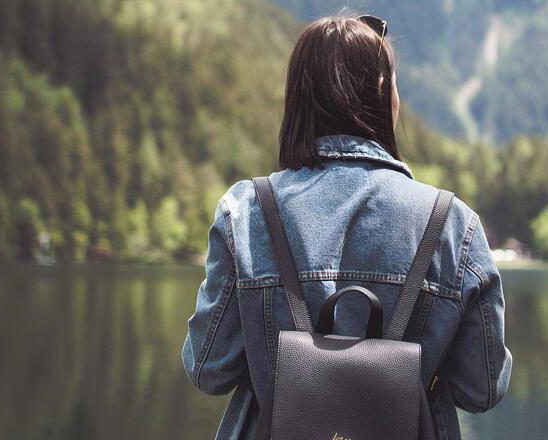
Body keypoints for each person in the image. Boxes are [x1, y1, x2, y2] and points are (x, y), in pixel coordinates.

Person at [182, 13, 512, 440]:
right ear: (381, 92)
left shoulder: (247, 212)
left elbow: (208, 369)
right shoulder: (451, 224)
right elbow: (481, 388)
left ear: (297, 99)